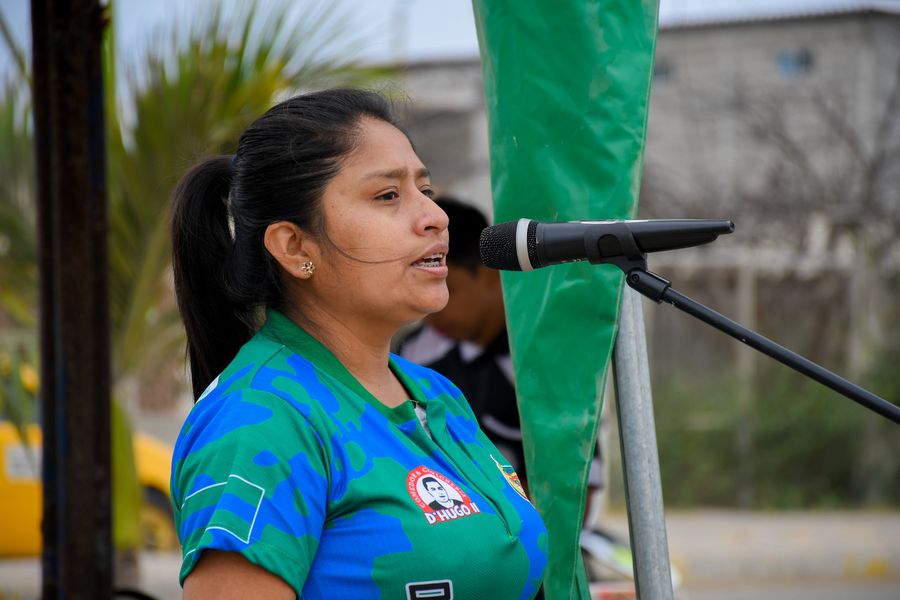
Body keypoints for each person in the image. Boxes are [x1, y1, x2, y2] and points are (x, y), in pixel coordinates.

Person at [169, 89, 547, 599]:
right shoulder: (262, 420)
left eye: (425, 189)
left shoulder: (437, 393)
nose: (436, 217)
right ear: (294, 246)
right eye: (388, 196)